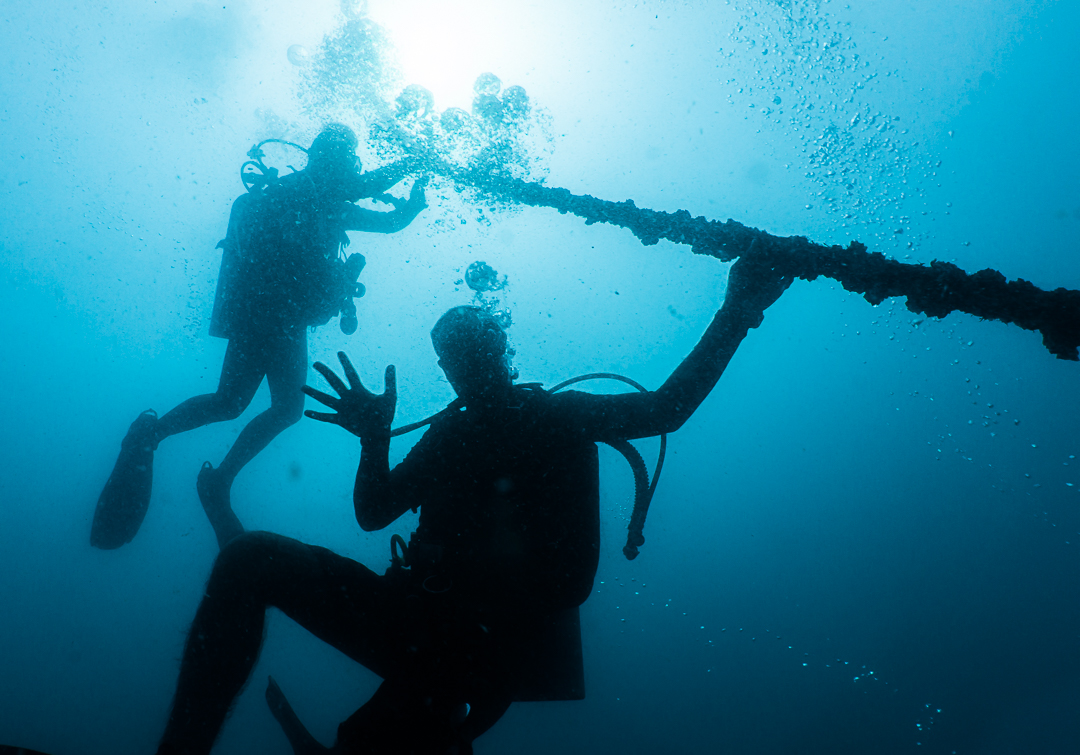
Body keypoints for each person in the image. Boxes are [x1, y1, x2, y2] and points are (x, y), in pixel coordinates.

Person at [153, 252, 793, 755]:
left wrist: (738, 309)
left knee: (361, 719)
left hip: (490, 653)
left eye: (469, 351)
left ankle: (399, 730)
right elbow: (375, 513)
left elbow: (666, 410)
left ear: (498, 350)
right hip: (418, 625)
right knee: (248, 560)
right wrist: (373, 442)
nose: (461, 366)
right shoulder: (452, 435)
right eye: (450, 357)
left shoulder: (554, 416)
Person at [93, 124, 428, 551]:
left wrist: (411, 202)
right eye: (347, 157)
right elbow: (379, 199)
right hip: (275, 316)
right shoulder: (315, 192)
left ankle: (155, 436)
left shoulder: (312, 195)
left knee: (231, 402)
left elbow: (385, 212)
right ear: (331, 158)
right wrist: (419, 165)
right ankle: (208, 471)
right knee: (275, 407)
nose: (351, 167)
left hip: (266, 315)